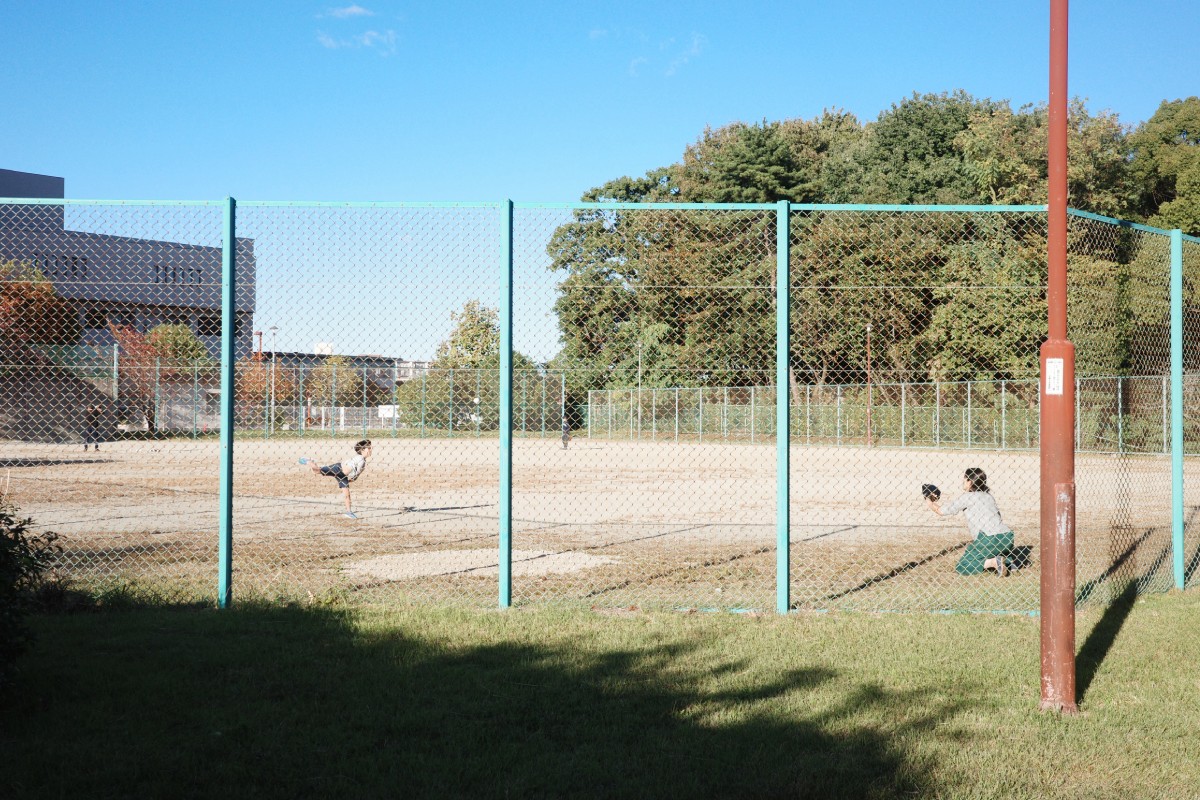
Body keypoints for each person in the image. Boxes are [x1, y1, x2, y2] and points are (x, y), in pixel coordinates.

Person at [926, 467, 1013, 577]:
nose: (963, 482)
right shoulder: (988, 496)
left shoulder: (967, 497)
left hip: (988, 538)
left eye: (965, 479)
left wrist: (928, 500)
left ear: (970, 481)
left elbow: (941, 511)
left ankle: (993, 562)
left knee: (963, 565)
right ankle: (1010, 563)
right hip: (1006, 536)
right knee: (993, 550)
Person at [304, 439, 372, 518]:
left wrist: (350, 479)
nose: (371, 450)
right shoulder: (359, 458)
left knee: (347, 494)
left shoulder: (363, 462)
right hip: (337, 468)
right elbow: (350, 467)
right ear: (363, 449)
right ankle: (308, 461)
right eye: (369, 448)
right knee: (316, 471)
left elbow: (355, 476)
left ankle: (349, 512)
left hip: (343, 476)